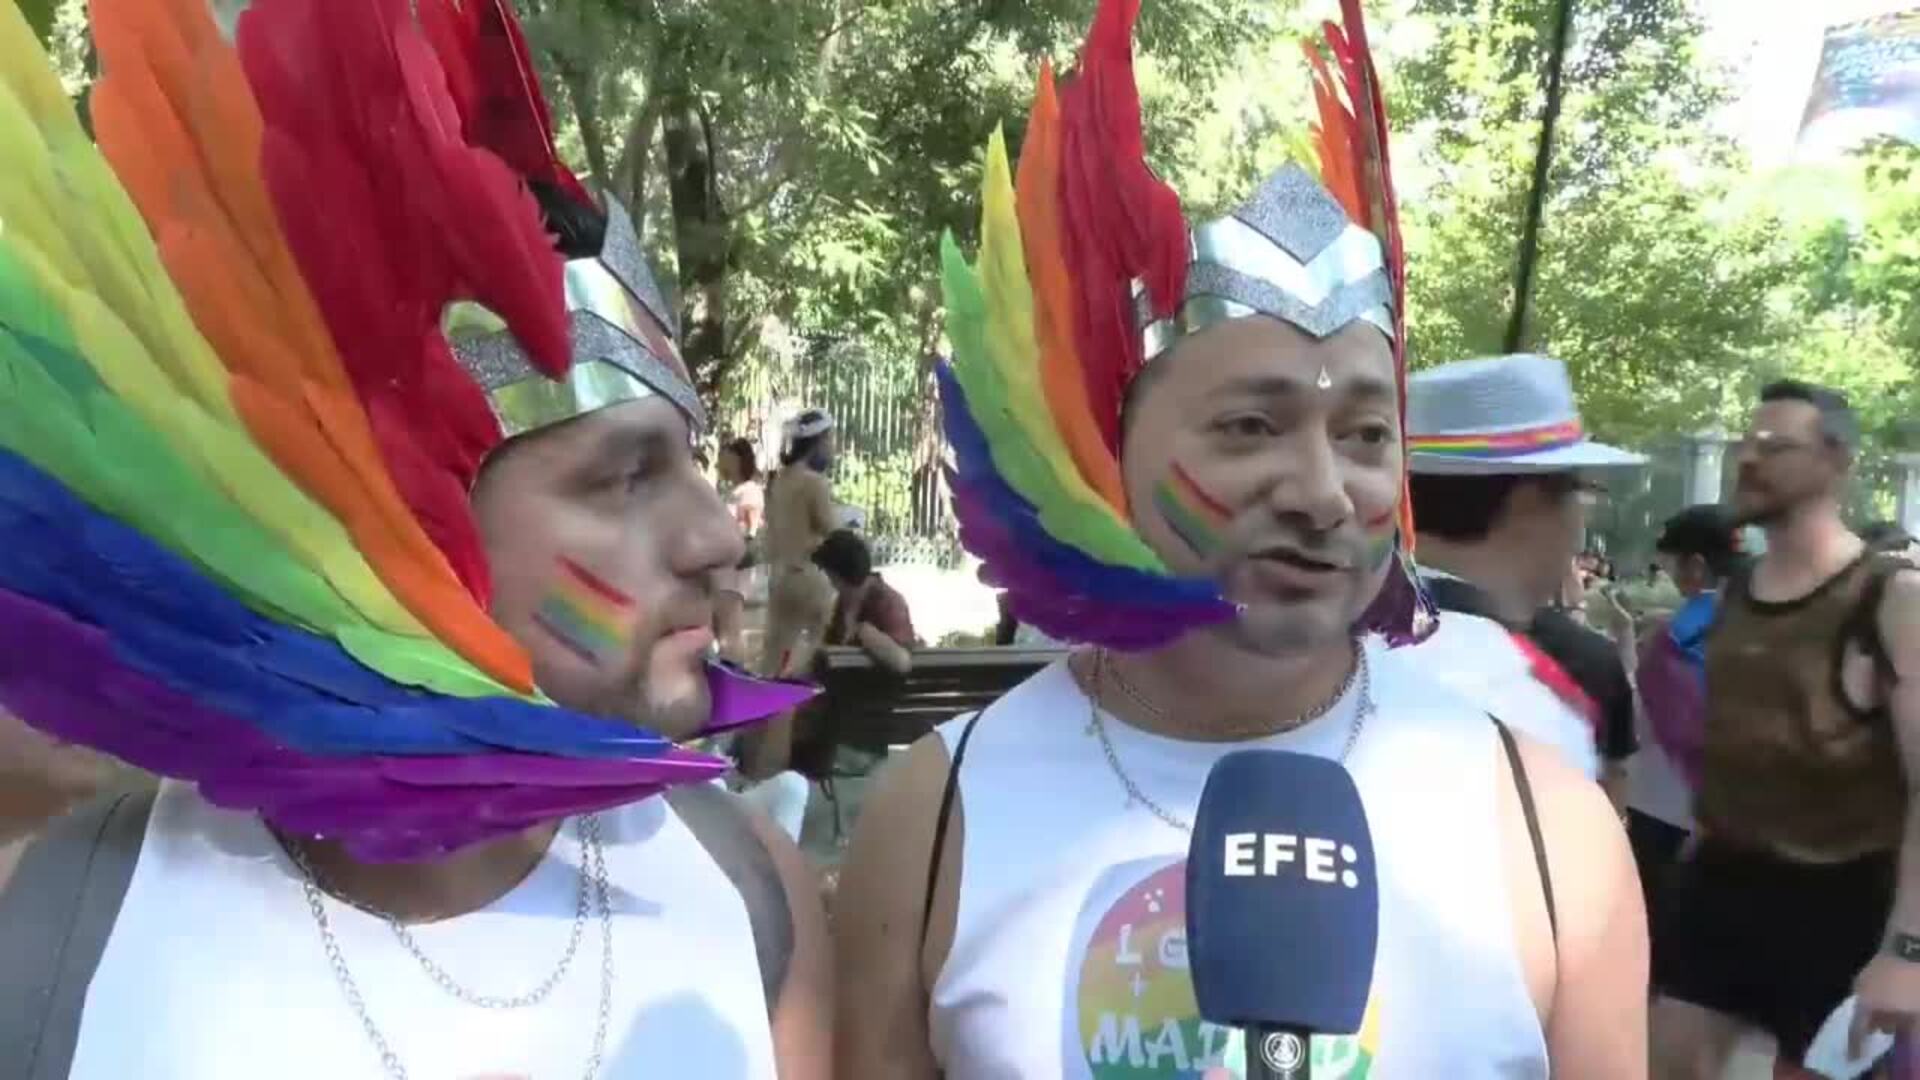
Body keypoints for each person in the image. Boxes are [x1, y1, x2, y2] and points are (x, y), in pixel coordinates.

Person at [0, 2, 830, 1076]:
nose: (720, 536)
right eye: (623, 476)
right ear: (399, 531)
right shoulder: (57, 924)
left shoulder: (752, 894)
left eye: (690, 460)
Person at [833, 4, 1645, 1076]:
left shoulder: (1549, 828)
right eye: (1250, 427)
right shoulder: (936, 814)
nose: (1319, 491)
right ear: (1105, 451)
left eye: (1363, 433)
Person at [1650, 380, 1920, 1079]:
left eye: (1776, 446)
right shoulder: (1734, 594)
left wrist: (1907, 951)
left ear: (1836, 462)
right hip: (1722, 889)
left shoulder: (1890, 598)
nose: (1749, 458)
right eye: (1748, 441)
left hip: (1842, 904)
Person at [1398, 354, 1647, 794]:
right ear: (1532, 503)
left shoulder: (1310, 647)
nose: (1581, 522)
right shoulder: (1560, 690)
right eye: (1581, 493)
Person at [1626, 504, 1739, 943]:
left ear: (1696, 565)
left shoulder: (1675, 635)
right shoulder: (1772, 621)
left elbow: (1650, 723)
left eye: (1672, 565)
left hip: (1669, 813)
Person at [761, 410, 840, 678]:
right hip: (810, 578)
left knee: (774, 655)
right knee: (810, 657)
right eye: (830, 440)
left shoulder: (776, 481)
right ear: (818, 442)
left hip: (780, 577)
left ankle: (766, 713)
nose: (832, 448)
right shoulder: (814, 483)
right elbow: (831, 530)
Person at [812, 529, 917, 674]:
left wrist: (867, 634)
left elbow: (902, 661)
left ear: (841, 576)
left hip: (880, 693)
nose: (831, 583)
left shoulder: (888, 602)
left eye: (831, 576)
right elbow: (827, 649)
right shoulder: (844, 603)